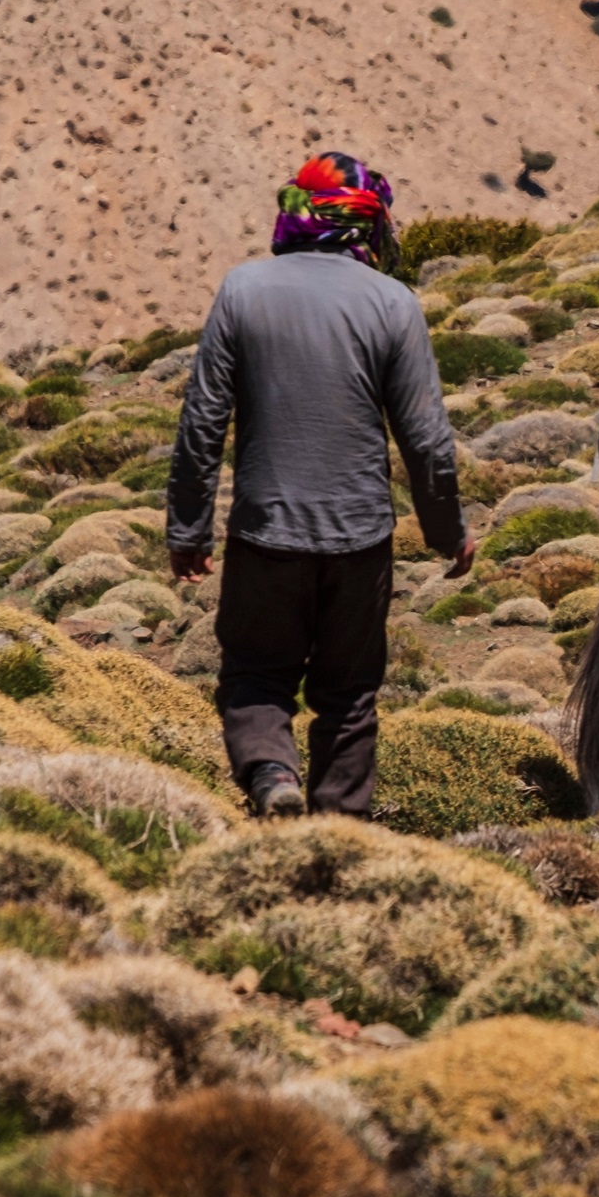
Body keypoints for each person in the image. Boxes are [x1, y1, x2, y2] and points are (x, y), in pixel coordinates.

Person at [166, 153, 473, 819]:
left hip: (266, 532)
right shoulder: (394, 303)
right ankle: (341, 830)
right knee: (350, 695)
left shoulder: (242, 290)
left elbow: (202, 424)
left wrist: (187, 530)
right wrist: (449, 533)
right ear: (370, 226)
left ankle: (272, 774)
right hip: (361, 539)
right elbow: (426, 441)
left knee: (256, 675)